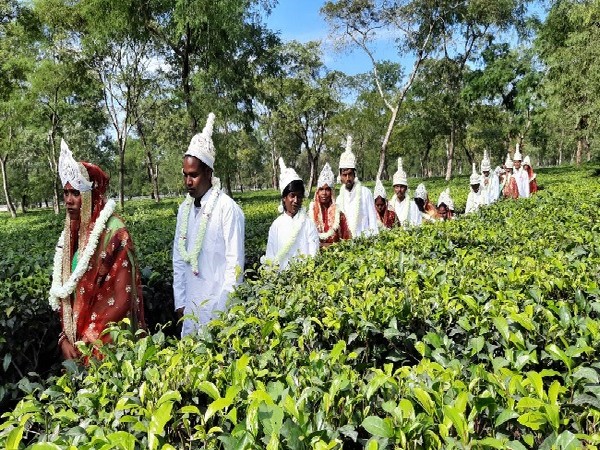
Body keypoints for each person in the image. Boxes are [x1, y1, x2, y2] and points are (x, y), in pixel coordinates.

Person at [49, 139, 145, 361]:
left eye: (76, 193)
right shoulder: (70, 234)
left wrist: (87, 342)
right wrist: (64, 338)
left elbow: (122, 300)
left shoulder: (115, 232)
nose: (69, 200)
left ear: (91, 194)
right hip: (74, 347)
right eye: (66, 193)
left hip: (107, 347)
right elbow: (64, 293)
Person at [173, 113, 245, 337]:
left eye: (193, 175)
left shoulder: (227, 209)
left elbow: (235, 267)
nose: (188, 182)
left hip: (219, 315)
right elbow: (178, 259)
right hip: (189, 313)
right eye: (185, 175)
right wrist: (180, 304)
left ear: (208, 173)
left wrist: (220, 315)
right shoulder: (184, 210)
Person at [263, 157, 319, 270]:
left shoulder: (308, 224)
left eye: (299, 196)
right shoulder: (276, 226)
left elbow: (314, 255)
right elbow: (270, 256)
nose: (296, 200)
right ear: (284, 198)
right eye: (292, 196)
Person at [336, 135, 379, 238]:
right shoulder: (339, 199)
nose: (348, 178)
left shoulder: (365, 193)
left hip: (365, 242)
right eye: (344, 175)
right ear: (340, 176)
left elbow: (372, 220)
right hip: (346, 244)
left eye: (350, 174)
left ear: (354, 174)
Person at [308, 162, 351, 248]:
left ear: (331, 192)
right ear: (317, 192)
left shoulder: (339, 215)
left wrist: (331, 247)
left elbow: (347, 241)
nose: (324, 193)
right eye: (321, 189)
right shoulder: (309, 215)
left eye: (327, 189)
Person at [389, 157, 419, 227]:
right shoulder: (390, 205)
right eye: (397, 187)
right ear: (394, 188)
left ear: (406, 188)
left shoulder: (413, 205)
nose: (399, 190)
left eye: (402, 187)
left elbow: (418, 224)